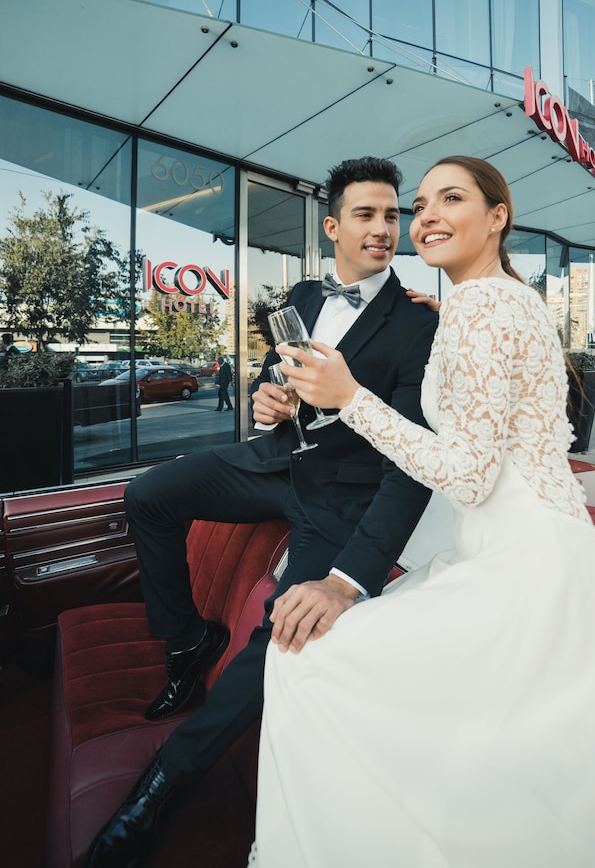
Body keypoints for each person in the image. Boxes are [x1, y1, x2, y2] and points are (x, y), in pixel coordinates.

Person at [250, 156, 595, 867]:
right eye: (420, 205)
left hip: (518, 571)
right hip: (548, 553)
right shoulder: (500, 301)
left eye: (451, 199)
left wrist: (350, 398)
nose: (427, 217)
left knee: (303, 664)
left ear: (496, 216)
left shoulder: (480, 309)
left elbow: (468, 476)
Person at [82, 156, 438, 868]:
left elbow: (412, 461)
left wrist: (348, 579)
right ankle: (187, 642)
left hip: (343, 495)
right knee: (147, 494)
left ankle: (161, 786)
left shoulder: (418, 324)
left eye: (391, 215)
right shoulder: (301, 295)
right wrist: (266, 397)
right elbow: (278, 376)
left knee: (287, 630)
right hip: (274, 461)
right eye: (365, 215)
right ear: (332, 227)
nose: (382, 228)